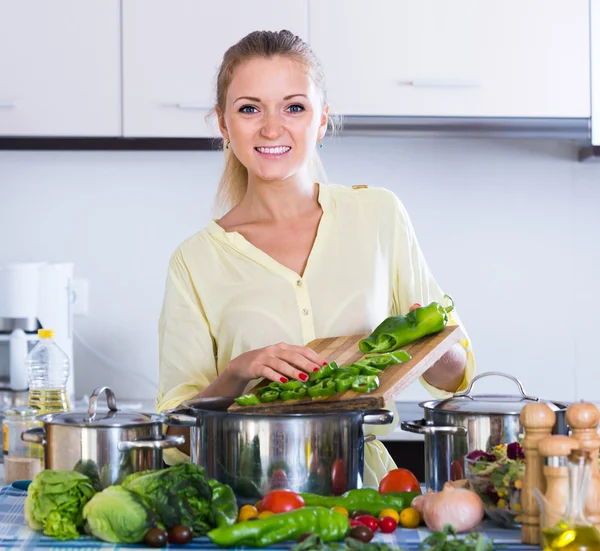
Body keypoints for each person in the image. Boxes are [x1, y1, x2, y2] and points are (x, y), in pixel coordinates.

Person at [156, 29, 475, 486]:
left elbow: (456, 372)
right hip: (247, 493)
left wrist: (434, 352)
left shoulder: (379, 214)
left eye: (294, 107)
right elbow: (174, 434)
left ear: (321, 120)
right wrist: (237, 372)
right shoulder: (194, 261)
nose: (271, 127)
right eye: (249, 109)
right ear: (224, 125)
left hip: (370, 493)